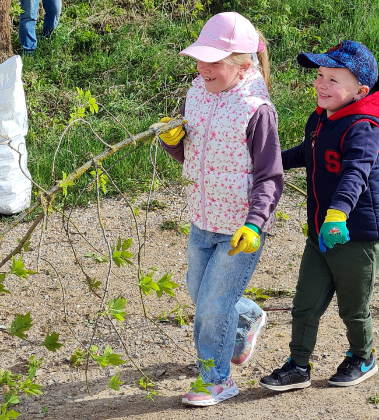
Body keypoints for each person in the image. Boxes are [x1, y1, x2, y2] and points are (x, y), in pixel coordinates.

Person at [153, 12, 283, 407]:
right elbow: (196, 157)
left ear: (242, 64)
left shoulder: (256, 109)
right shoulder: (197, 92)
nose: (202, 68)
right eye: (199, 59)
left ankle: (217, 380)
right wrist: (174, 142)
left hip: (238, 229)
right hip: (202, 218)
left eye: (212, 62)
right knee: (200, 293)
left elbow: (270, 177)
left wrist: (255, 224)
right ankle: (247, 319)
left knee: (212, 307)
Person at [258, 40, 379, 391]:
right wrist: (267, 162)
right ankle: (298, 366)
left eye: (334, 79)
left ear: (360, 90)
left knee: (353, 307)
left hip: (357, 235)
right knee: (305, 303)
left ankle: (363, 357)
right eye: (320, 75)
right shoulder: (321, 118)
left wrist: (337, 214)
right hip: (320, 232)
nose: (321, 84)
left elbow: (355, 174)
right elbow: (308, 152)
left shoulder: (365, 127)